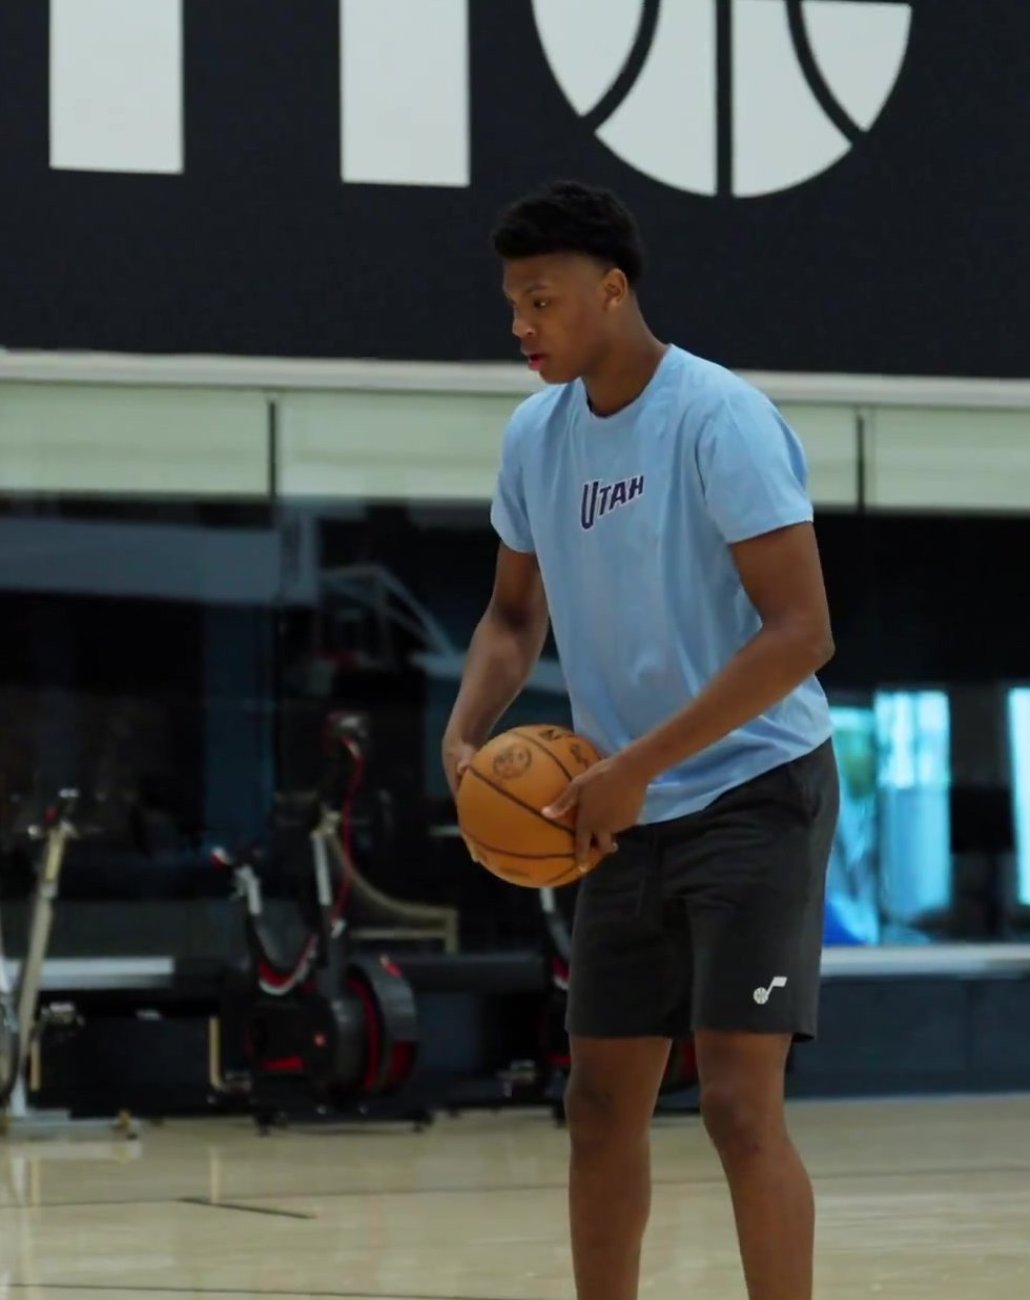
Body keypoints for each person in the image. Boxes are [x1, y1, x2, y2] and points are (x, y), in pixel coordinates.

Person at [441, 179, 840, 1300]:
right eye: (513, 304)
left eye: (541, 301)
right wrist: (463, 732)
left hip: (757, 790)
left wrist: (635, 767)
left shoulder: (719, 418)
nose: (521, 325)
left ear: (611, 291)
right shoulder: (535, 437)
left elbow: (803, 632)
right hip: (617, 806)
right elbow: (512, 618)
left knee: (737, 1103)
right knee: (600, 1100)